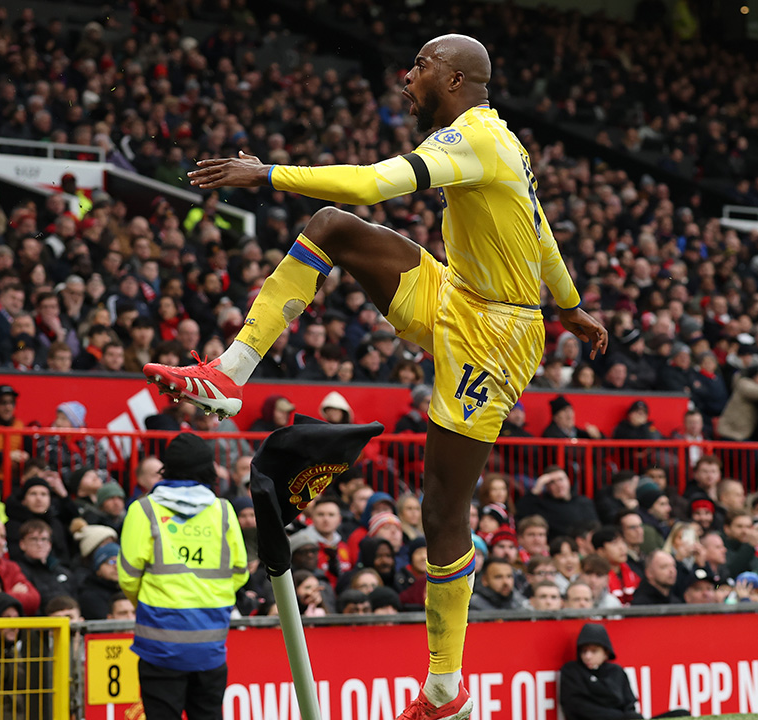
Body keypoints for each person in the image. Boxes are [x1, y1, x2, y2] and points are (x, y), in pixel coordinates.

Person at [146, 34, 607, 720]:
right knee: (331, 226)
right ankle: (228, 373)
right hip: (457, 294)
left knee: (443, 511)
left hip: (497, 336)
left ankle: (445, 687)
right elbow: (539, 235)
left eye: (420, 65)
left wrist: (266, 173)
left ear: (453, 78)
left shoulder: (475, 140)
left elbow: (372, 182)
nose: (406, 76)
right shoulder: (496, 139)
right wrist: (570, 306)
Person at [118, 433, 248, 720]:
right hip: (210, 647)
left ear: (168, 468)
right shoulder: (224, 511)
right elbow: (240, 573)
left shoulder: (143, 510)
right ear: (208, 469)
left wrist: (154, 601)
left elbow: (128, 578)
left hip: (159, 647)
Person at [560, 623, 689, 720]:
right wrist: (621, 717)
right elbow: (576, 707)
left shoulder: (616, 671)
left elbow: (629, 703)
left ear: (606, 652)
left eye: (594, 651)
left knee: (681, 714)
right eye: (584, 651)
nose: (587, 656)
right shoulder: (571, 671)